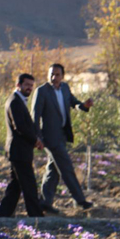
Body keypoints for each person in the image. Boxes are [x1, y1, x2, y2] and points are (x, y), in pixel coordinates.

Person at [32, 63, 94, 213]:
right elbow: (35, 116)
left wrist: (84, 106)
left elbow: (74, 103)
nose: (54, 77)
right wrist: (37, 137)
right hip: (49, 137)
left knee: (53, 170)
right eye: (51, 74)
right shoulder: (41, 91)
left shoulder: (65, 88)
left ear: (62, 76)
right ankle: (80, 200)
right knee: (66, 168)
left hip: (62, 135)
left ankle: (45, 202)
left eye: (57, 74)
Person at [0, 74, 45, 218]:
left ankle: (2, 216)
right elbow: (20, 127)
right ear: (18, 85)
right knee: (29, 185)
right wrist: (35, 140)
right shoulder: (14, 102)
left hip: (20, 151)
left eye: (31, 85)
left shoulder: (18, 101)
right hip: (19, 151)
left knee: (15, 187)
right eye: (26, 85)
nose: (29, 88)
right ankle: (36, 216)